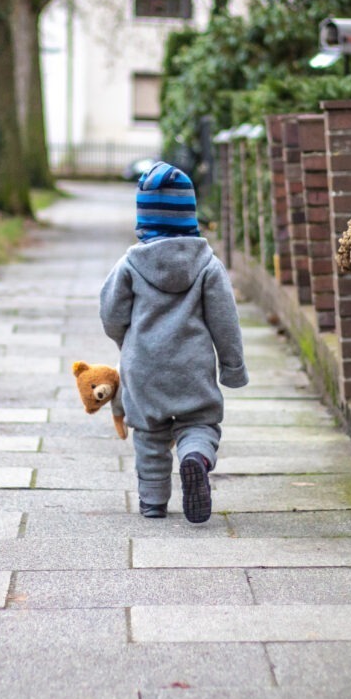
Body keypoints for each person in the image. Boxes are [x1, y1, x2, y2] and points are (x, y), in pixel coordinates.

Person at [99, 161, 248, 523]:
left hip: (144, 368)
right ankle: (195, 457)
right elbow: (225, 321)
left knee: (149, 434)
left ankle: (152, 502)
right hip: (192, 367)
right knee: (200, 423)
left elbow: (110, 313)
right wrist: (232, 367)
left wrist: (127, 342)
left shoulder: (130, 265)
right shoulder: (208, 266)